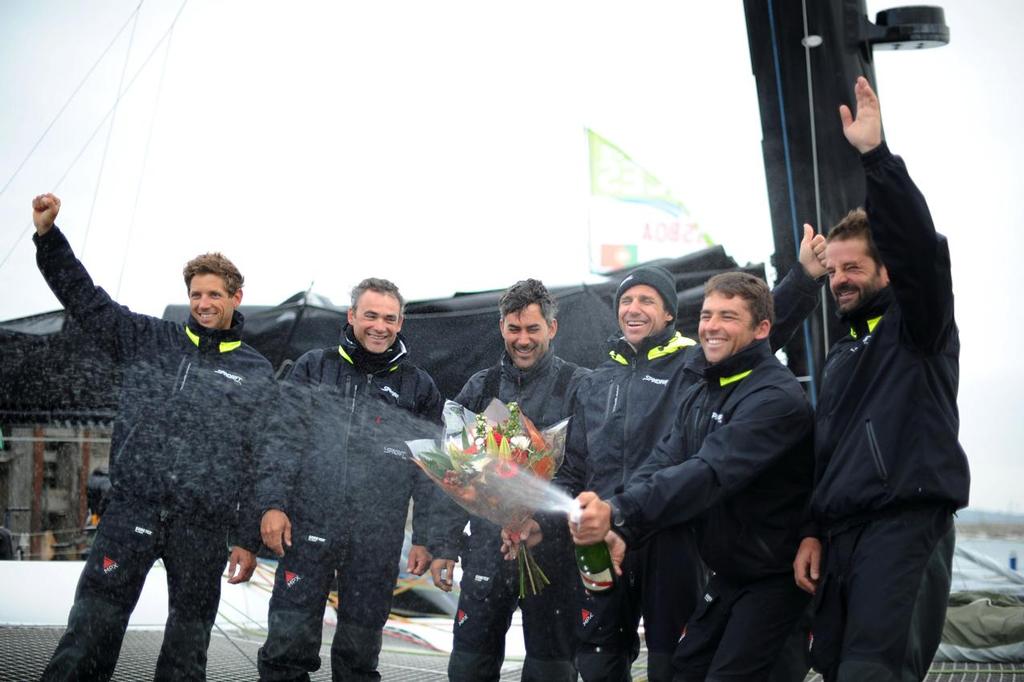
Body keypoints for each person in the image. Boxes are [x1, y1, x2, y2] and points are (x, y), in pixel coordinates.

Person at [528, 236, 826, 682]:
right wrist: (548, 518)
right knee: (597, 655)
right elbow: (575, 464)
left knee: (673, 661)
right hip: (613, 532)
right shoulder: (595, 379)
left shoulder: (693, 365)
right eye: (625, 299)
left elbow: (755, 332)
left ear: (669, 313)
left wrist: (802, 279)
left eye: (647, 300)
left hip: (672, 536)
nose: (633, 308)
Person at [33, 193, 274, 681]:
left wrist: (247, 538)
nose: (203, 304)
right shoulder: (150, 340)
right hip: (132, 509)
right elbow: (86, 301)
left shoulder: (256, 371)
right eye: (196, 295)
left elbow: (259, 458)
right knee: (90, 632)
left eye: (214, 295)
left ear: (235, 298)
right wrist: (47, 238)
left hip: (202, 527)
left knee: (188, 648)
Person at [791, 77, 970, 681]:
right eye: (832, 270)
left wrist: (876, 157)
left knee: (873, 673)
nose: (839, 279)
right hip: (841, 537)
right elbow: (828, 449)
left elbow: (921, 252)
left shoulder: (919, 329)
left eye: (853, 268)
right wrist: (814, 529)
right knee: (839, 669)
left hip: (902, 526)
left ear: (886, 271)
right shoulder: (841, 350)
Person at [256, 277, 442, 681]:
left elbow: (431, 471)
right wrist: (272, 504)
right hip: (307, 528)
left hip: (377, 538)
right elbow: (281, 441)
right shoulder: (314, 367)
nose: (379, 326)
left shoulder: (419, 386)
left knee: (359, 656)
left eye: (389, 318)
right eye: (370, 315)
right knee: (287, 646)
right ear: (352, 315)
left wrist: (426, 537)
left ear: (400, 322)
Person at [428, 278, 590, 681]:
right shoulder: (480, 387)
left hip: (552, 554)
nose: (523, 339)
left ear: (552, 328)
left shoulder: (579, 386)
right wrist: (444, 546)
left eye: (533, 329)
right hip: (486, 550)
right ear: (501, 327)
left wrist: (537, 520)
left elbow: (586, 469)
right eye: (514, 329)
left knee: (551, 673)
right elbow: (452, 470)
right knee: (468, 670)